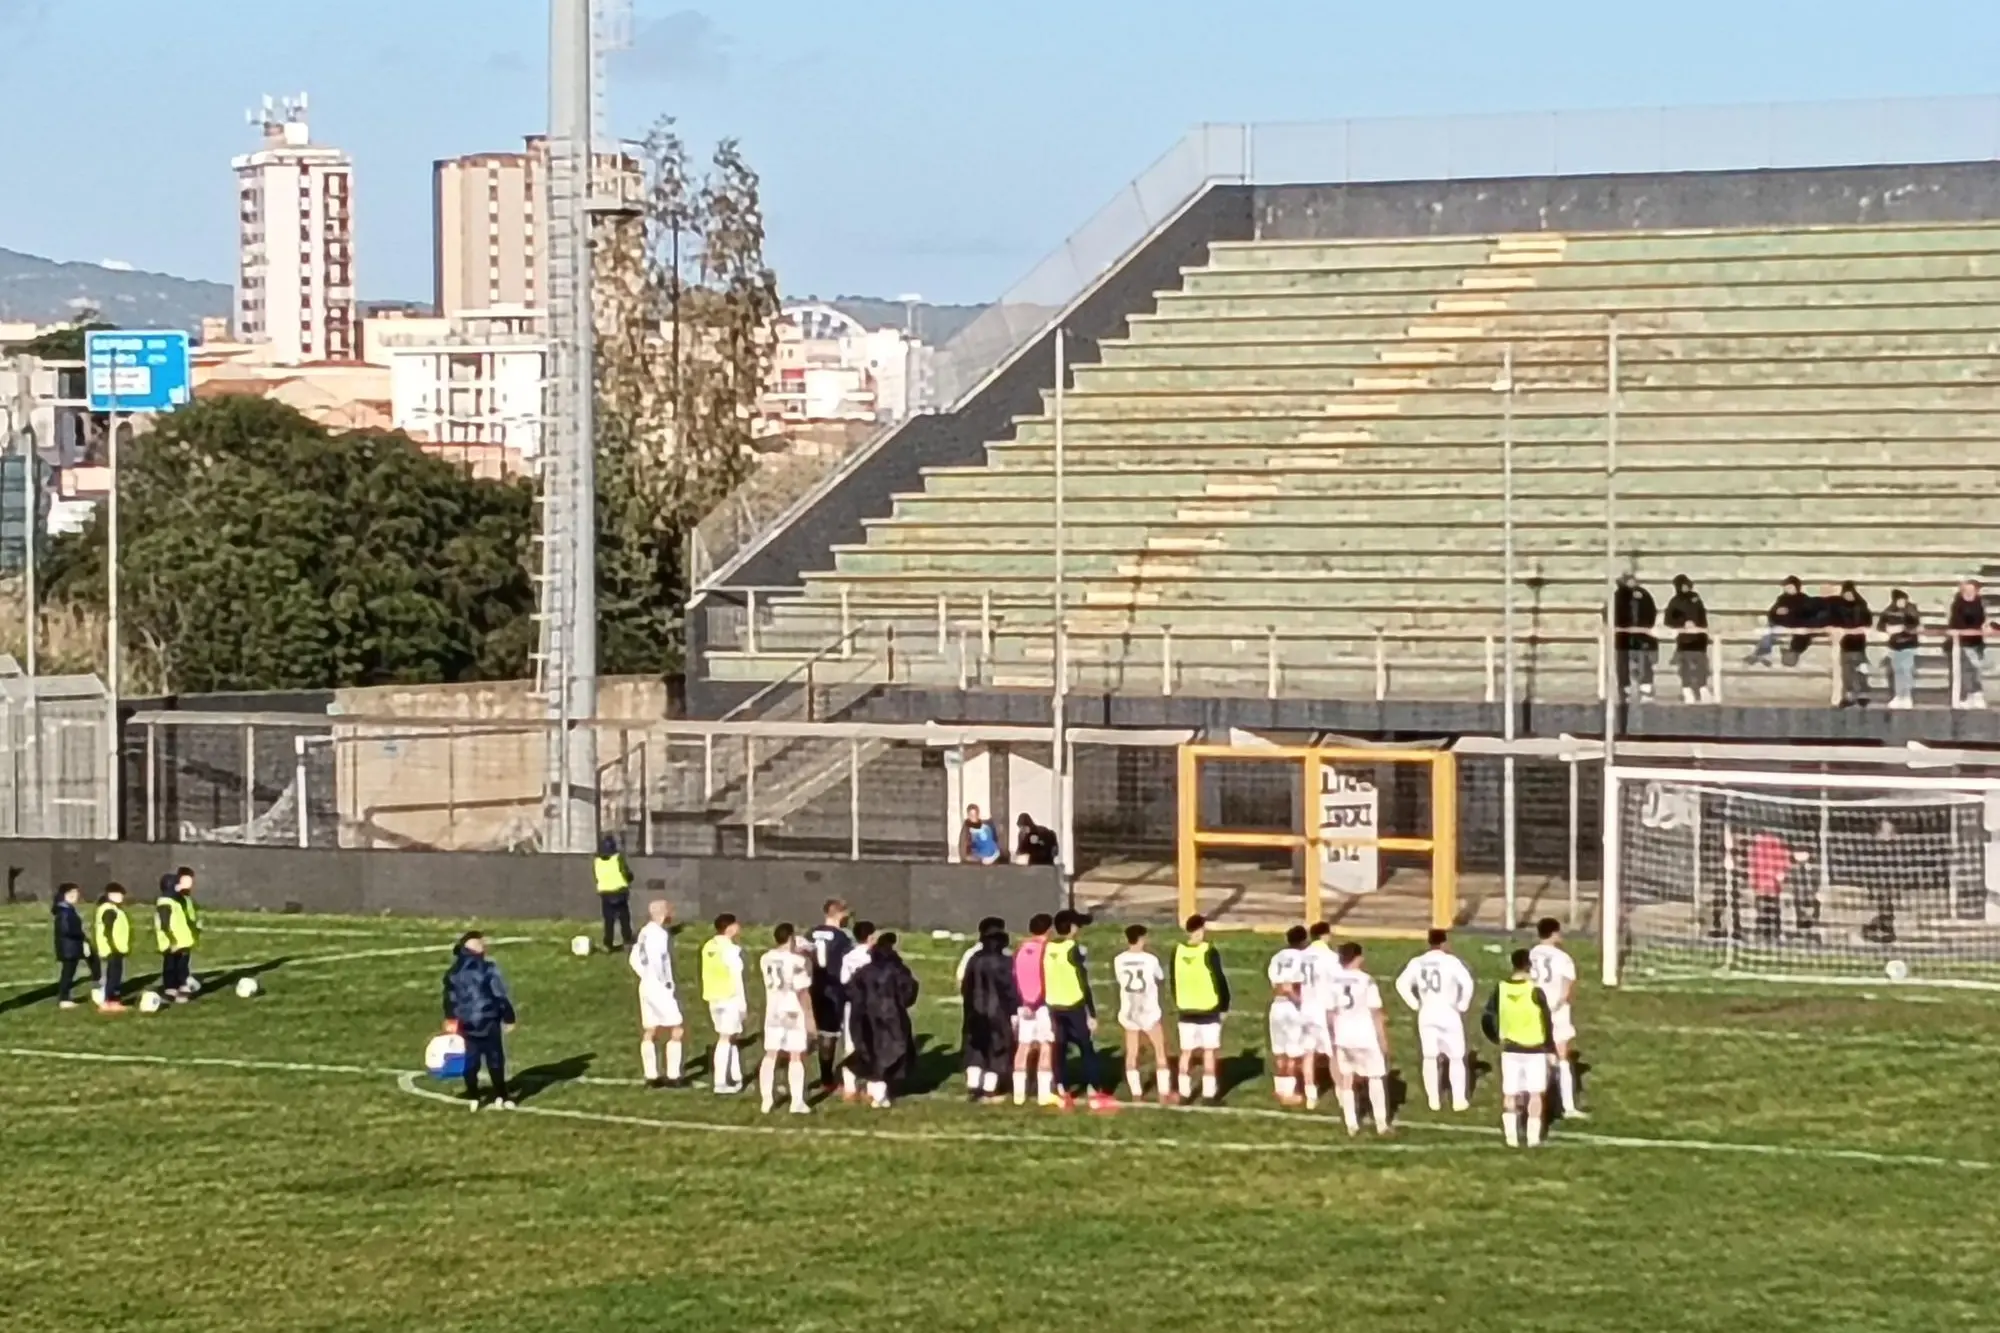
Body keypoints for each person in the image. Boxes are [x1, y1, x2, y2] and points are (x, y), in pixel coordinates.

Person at [1393, 929, 1476, 1113]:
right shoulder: (1451, 962)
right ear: (1444, 943)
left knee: (1430, 1057)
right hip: (1448, 1012)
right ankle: (1459, 1100)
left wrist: (1415, 1004)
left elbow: (1401, 983)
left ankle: (1434, 1100)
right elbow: (1467, 983)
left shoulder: (1418, 962)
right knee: (1456, 1057)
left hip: (1427, 1012)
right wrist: (1463, 1004)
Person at [1482, 948, 1556, 1148]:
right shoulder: (1534, 990)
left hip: (1511, 1049)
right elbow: (1547, 1021)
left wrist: (1494, 1038)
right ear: (1529, 966)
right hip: (1534, 1049)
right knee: (1535, 1094)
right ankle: (1533, 1138)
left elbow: (1487, 1016)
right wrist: (1551, 1050)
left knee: (1510, 1094)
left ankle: (1511, 1138)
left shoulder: (1501, 989)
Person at [1044, 910, 1115, 1110]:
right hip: (1073, 1004)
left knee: (1059, 1049)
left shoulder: (1048, 948)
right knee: (1086, 1047)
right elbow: (1083, 981)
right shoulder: (1073, 949)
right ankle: (1094, 1088)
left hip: (1054, 1005)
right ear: (1072, 928)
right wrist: (1091, 1012)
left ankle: (1062, 1089)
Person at [442, 931, 517, 1110]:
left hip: (465, 1023)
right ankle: (502, 1096)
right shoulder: (488, 968)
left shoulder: (452, 972)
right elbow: (499, 994)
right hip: (488, 1019)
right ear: (473, 946)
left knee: (470, 1060)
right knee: (495, 1059)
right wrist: (509, 1016)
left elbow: (449, 999)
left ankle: (474, 1096)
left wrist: (451, 1018)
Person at [846, 930, 920, 1108]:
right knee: (890, 1054)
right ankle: (879, 1095)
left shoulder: (863, 972)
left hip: (866, 1019)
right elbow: (909, 991)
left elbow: (851, 993)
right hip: (892, 1018)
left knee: (871, 1054)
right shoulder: (898, 971)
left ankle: (876, 1092)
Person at [1326, 942, 1391, 1135]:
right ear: (1357, 957)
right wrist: (1383, 1039)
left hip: (1343, 1035)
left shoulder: (1333, 981)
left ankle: (1351, 1124)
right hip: (1365, 1035)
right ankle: (1381, 1123)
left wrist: (1332, 1035)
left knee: (1347, 1078)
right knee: (1375, 1077)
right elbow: (1375, 1012)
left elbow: (1330, 1013)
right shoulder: (1366, 980)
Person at [1171, 915, 1231, 1104]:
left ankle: (1184, 1092)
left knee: (1186, 1053)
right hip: (1208, 1007)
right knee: (1209, 1052)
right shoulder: (1208, 951)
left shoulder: (1178, 951)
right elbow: (1219, 979)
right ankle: (1208, 1094)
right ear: (1199, 929)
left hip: (1186, 1008)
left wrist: (1178, 1000)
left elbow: (1174, 980)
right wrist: (1225, 1004)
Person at [757, 923, 815, 1115]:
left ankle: (766, 1099)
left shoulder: (765, 958)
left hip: (773, 1010)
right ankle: (797, 1101)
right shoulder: (797, 962)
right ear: (790, 938)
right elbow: (803, 992)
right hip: (793, 1011)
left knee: (771, 1054)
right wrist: (810, 1018)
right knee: (796, 1055)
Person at [1528, 918, 1583, 1119]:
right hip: (1556, 1009)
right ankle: (1567, 1106)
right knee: (1562, 1058)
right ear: (1554, 934)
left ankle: (1538, 1099)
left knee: (1539, 1054)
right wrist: (1560, 1002)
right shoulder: (1563, 958)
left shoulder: (1532, 954)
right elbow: (1567, 986)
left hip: (1535, 1008)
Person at [1112, 924, 1173, 1103]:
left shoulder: (1118, 960)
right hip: (1148, 1009)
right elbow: (1160, 977)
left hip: (1129, 1009)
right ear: (1141, 939)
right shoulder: (1150, 959)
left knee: (1132, 1052)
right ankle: (1163, 1092)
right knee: (1160, 1050)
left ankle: (1136, 1093)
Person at [959, 921, 1018, 1103]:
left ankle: (973, 1085)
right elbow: (1010, 990)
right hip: (998, 1013)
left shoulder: (974, 959)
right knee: (997, 1050)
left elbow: (965, 985)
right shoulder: (1005, 962)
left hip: (974, 1011)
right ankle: (989, 1088)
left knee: (975, 1048)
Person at [629, 899, 684, 1088]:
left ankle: (651, 1075)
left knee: (650, 1030)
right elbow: (657, 961)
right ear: (663, 913)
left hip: (645, 985)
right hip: (660, 987)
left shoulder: (644, 932)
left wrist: (644, 975)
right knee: (676, 1028)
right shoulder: (660, 935)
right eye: (670, 910)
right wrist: (665, 982)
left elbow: (634, 958)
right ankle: (673, 1076)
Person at [807, 899, 853, 1091]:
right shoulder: (842, 937)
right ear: (839, 914)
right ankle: (828, 1078)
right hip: (833, 988)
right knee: (830, 1034)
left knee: (815, 1031)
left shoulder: (810, 933)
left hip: (813, 986)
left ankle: (819, 1075)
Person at [699, 915, 747, 1095]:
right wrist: (742, 1003)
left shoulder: (709, 945)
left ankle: (735, 1075)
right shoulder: (731, 949)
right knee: (726, 1038)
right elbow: (737, 977)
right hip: (729, 997)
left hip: (713, 996)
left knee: (730, 1036)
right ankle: (720, 1082)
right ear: (730, 928)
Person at [1012, 912, 1056, 1106]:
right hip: (1041, 1004)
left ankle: (1018, 1095)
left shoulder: (1021, 949)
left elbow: (1015, 976)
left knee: (1023, 1047)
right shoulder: (1046, 950)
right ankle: (1044, 1094)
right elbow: (1045, 976)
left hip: (1023, 1004)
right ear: (1048, 929)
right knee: (1046, 1046)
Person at [1295, 921, 1338, 1111]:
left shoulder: (1302, 956)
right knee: (1333, 1053)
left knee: (1308, 1053)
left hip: (1306, 1008)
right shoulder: (1330, 957)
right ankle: (1341, 1092)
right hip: (1323, 1008)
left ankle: (1311, 1094)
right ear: (1326, 935)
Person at [1266, 925, 1310, 1106]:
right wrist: (1300, 1002)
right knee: (1293, 1053)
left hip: (1276, 1007)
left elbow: (1275, 985)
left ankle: (1280, 1088)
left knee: (1280, 1051)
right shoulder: (1303, 958)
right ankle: (1290, 1093)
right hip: (1292, 1008)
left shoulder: (1276, 958)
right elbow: (1292, 986)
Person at [837, 921, 877, 1101]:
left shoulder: (848, 957)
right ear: (870, 937)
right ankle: (871, 1088)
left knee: (850, 1046)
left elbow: (844, 982)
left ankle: (849, 1087)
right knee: (872, 1046)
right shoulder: (874, 957)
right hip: (871, 1006)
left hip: (852, 1006)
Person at [1663, 574, 1712, 703]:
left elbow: (1702, 616)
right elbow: (1668, 620)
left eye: (1687, 585)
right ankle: (1687, 689)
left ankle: (1702, 688)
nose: (1686, 588)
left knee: (1702, 665)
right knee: (1685, 666)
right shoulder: (1675, 602)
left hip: (1699, 639)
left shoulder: (1695, 598)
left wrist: (1703, 630)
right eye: (1683, 586)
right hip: (1684, 640)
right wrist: (1682, 623)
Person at [51, 882, 99, 1009]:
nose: (74, 895)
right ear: (63, 895)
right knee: (68, 973)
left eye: (76, 893)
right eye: (70, 893)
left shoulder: (67, 909)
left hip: (72, 946)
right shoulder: (64, 911)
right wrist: (82, 937)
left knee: (92, 961)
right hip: (69, 947)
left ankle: (98, 985)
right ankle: (64, 999)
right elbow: (66, 929)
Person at [1613, 572, 1658, 700]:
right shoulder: (1618, 596)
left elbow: (1651, 611)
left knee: (1644, 662)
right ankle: (1625, 691)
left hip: (1642, 637)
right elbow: (1610, 613)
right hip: (1623, 638)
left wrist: (1646, 626)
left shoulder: (1643, 594)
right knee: (1623, 665)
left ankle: (1646, 689)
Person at [153, 872, 197, 1003]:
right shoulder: (165, 903)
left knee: (182, 966)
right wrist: (172, 941)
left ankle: (181, 986)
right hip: (172, 942)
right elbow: (165, 924)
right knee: (171, 966)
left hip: (181, 941)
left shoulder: (175, 901)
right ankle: (171, 989)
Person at [1747, 575, 1809, 666]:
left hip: (1795, 625)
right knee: (1769, 630)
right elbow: (1772, 613)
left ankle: (1761, 654)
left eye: (1790, 587)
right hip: (1780, 624)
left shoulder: (1803, 599)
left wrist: (1789, 612)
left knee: (1771, 631)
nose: (1787, 589)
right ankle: (1763, 654)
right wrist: (1777, 612)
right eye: (1786, 587)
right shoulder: (1782, 598)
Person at [1877, 588, 1922, 709]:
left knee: (1906, 670)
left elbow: (1914, 624)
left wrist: (1902, 627)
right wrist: (1887, 629)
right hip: (1894, 646)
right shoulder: (1889, 611)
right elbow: (1880, 625)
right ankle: (1898, 695)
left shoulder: (1910, 609)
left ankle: (1906, 696)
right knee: (1897, 671)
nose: (1902, 602)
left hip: (1908, 645)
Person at [91, 883, 132, 1013]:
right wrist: (113, 945)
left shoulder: (112, 908)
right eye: (118, 894)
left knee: (114, 975)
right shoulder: (109, 910)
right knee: (113, 976)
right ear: (110, 895)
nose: (121, 897)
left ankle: (112, 1000)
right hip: (112, 949)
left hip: (115, 948)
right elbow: (108, 930)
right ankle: (109, 1001)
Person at [1948, 578, 1987, 709]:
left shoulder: (1979, 603)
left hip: (1977, 641)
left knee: (1976, 669)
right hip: (1963, 641)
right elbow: (1955, 621)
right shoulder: (1958, 603)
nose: (1969, 592)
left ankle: (1978, 695)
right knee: (1966, 669)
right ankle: (1969, 696)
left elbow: (1981, 619)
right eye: (1967, 590)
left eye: (1972, 590)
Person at [592, 834, 635, 953]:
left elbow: (597, 877)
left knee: (608, 920)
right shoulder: (617, 858)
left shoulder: (597, 861)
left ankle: (608, 943)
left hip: (605, 893)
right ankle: (627, 939)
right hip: (619, 891)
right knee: (624, 917)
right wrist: (630, 878)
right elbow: (625, 872)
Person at [1833, 581, 1872, 707]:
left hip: (1859, 645)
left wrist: (1849, 631)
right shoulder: (1839, 608)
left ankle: (1863, 694)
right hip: (1846, 645)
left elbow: (1866, 624)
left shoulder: (1861, 606)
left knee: (1861, 671)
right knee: (1847, 673)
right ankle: (1849, 695)